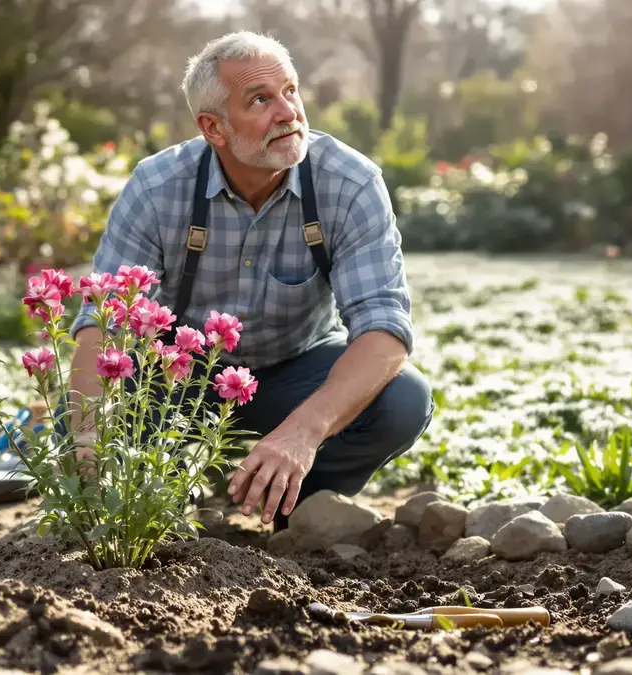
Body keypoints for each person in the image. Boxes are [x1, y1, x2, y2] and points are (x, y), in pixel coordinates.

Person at [64, 31, 434, 530]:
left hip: (295, 370)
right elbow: (106, 324)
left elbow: (384, 329)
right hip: (177, 378)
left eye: (290, 90)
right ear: (213, 127)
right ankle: (161, 499)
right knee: (95, 426)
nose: (288, 112)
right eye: (260, 100)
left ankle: (294, 507)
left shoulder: (349, 183)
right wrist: (88, 437)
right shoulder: (156, 189)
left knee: (402, 400)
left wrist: (302, 433)